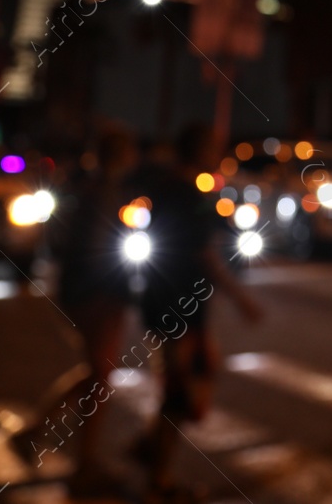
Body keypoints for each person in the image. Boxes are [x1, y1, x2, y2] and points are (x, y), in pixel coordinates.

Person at [130, 125, 263, 504]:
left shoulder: (175, 188)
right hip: (178, 304)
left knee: (194, 379)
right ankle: (159, 482)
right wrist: (241, 299)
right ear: (199, 150)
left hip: (170, 301)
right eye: (213, 147)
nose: (218, 153)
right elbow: (204, 255)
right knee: (181, 391)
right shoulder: (185, 193)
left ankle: (148, 448)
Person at [43, 126, 138, 496]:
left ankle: (39, 430)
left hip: (83, 292)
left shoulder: (91, 189)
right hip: (98, 296)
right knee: (100, 378)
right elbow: (100, 253)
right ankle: (85, 464)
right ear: (122, 155)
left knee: (97, 373)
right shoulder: (107, 193)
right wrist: (116, 291)